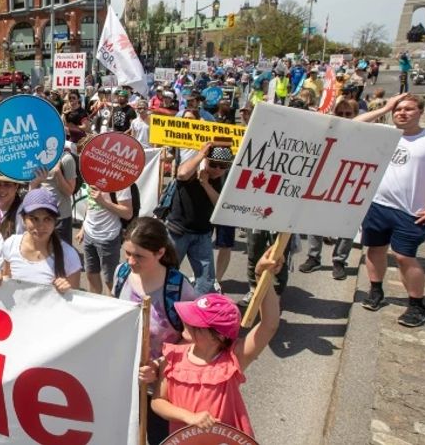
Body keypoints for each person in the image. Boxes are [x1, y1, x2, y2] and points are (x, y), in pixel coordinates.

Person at [151, 250, 282, 440]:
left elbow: (269, 325)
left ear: (218, 337)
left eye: (196, 323)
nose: (186, 322)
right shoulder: (173, 356)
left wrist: (263, 277)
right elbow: (158, 402)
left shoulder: (233, 358)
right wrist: (189, 417)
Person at [359, 94, 425, 327]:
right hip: (377, 205)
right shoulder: (386, 132)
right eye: (398, 109)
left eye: (408, 109)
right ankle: (376, 291)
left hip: (409, 211)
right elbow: (355, 124)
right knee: (375, 250)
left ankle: (417, 305)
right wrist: (384, 107)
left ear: (420, 112)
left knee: (405, 257)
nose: (401, 113)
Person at [114, 217, 197, 444]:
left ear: (160, 253)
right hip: (126, 381)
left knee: (160, 438)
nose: (130, 261)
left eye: (139, 256)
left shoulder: (179, 289)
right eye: (127, 253)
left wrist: (159, 365)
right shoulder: (121, 274)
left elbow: (195, 340)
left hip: (162, 390)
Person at [299, 99, 362, 280]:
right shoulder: (327, 129)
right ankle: (313, 257)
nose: (343, 117)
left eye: (348, 114)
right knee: (314, 222)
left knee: (346, 225)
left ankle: (339, 260)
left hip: (350, 184)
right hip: (323, 182)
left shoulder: (363, 134)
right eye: (339, 113)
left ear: (356, 115)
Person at [0, 188, 82, 294]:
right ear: (23, 219)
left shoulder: (69, 255)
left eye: (47, 219)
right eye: (34, 219)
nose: (40, 226)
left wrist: (66, 290)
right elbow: (7, 281)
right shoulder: (11, 244)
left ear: (55, 221)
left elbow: (74, 302)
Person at [165, 143, 232, 295]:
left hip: (202, 234)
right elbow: (181, 174)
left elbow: (219, 205)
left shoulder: (223, 179)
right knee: (167, 272)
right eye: (213, 164)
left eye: (223, 166)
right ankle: (165, 306)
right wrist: (201, 154)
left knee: (206, 279)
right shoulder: (193, 169)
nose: (217, 170)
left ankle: (200, 311)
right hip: (178, 231)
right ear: (206, 160)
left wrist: (205, 184)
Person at [76, 182, 133, 295]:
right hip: (89, 233)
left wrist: (103, 201)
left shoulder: (120, 180)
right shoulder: (91, 175)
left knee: (110, 281)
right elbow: (90, 202)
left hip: (108, 236)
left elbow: (127, 213)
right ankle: (95, 307)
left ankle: (111, 309)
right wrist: (83, 227)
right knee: (91, 275)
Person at [29, 142, 77, 245]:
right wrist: (36, 182)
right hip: (41, 216)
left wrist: (58, 173)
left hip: (61, 218)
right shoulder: (36, 155)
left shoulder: (66, 158)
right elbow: (32, 188)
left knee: (62, 255)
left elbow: (69, 191)